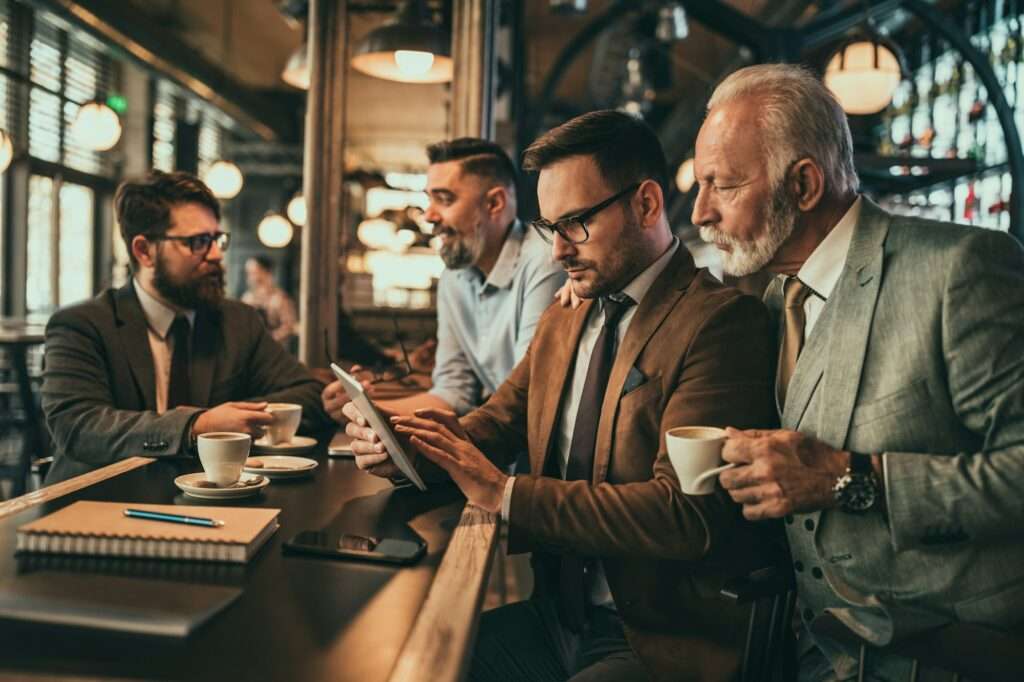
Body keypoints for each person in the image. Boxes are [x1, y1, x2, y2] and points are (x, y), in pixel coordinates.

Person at [345, 111, 780, 680]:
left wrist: (507, 495)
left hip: (659, 639)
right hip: (560, 616)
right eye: (550, 228)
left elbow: (686, 514)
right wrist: (402, 446)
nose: (556, 252)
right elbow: (497, 422)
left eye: (574, 224)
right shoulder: (567, 314)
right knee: (405, 664)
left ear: (647, 205)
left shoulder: (720, 322)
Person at [692, 63, 1024, 681]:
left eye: (723, 186)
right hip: (813, 651)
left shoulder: (959, 271)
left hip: (947, 656)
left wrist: (852, 477)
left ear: (805, 184)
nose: (702, 211)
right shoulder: (771, 303)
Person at [42, 170, 329, 484]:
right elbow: (79, 427)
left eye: (217, 239)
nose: (217, 254)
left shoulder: (236, 321)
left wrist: (241, 417)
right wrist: (198, 425)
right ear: (144, 251)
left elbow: (309, 394)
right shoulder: (83, 324)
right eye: (198, 242)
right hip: (96, 506)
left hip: (210, 502)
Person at [322, 137, 565, 419]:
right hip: (496, 440)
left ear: (495, 203)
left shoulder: (547, 261)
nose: (428, 215)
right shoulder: (454, 278)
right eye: (429, 199)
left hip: (537, 455)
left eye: (445, 199)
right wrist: (369, 412)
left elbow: (526, 394)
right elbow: (454, 392)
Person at [242, 256, 298, 346]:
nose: (250, 277)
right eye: (248, 273)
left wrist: (270, 339)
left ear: (266, 272)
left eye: (253, 272)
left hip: (274, 351)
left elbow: (289, 326)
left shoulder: (280, 298)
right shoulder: (247, 298)